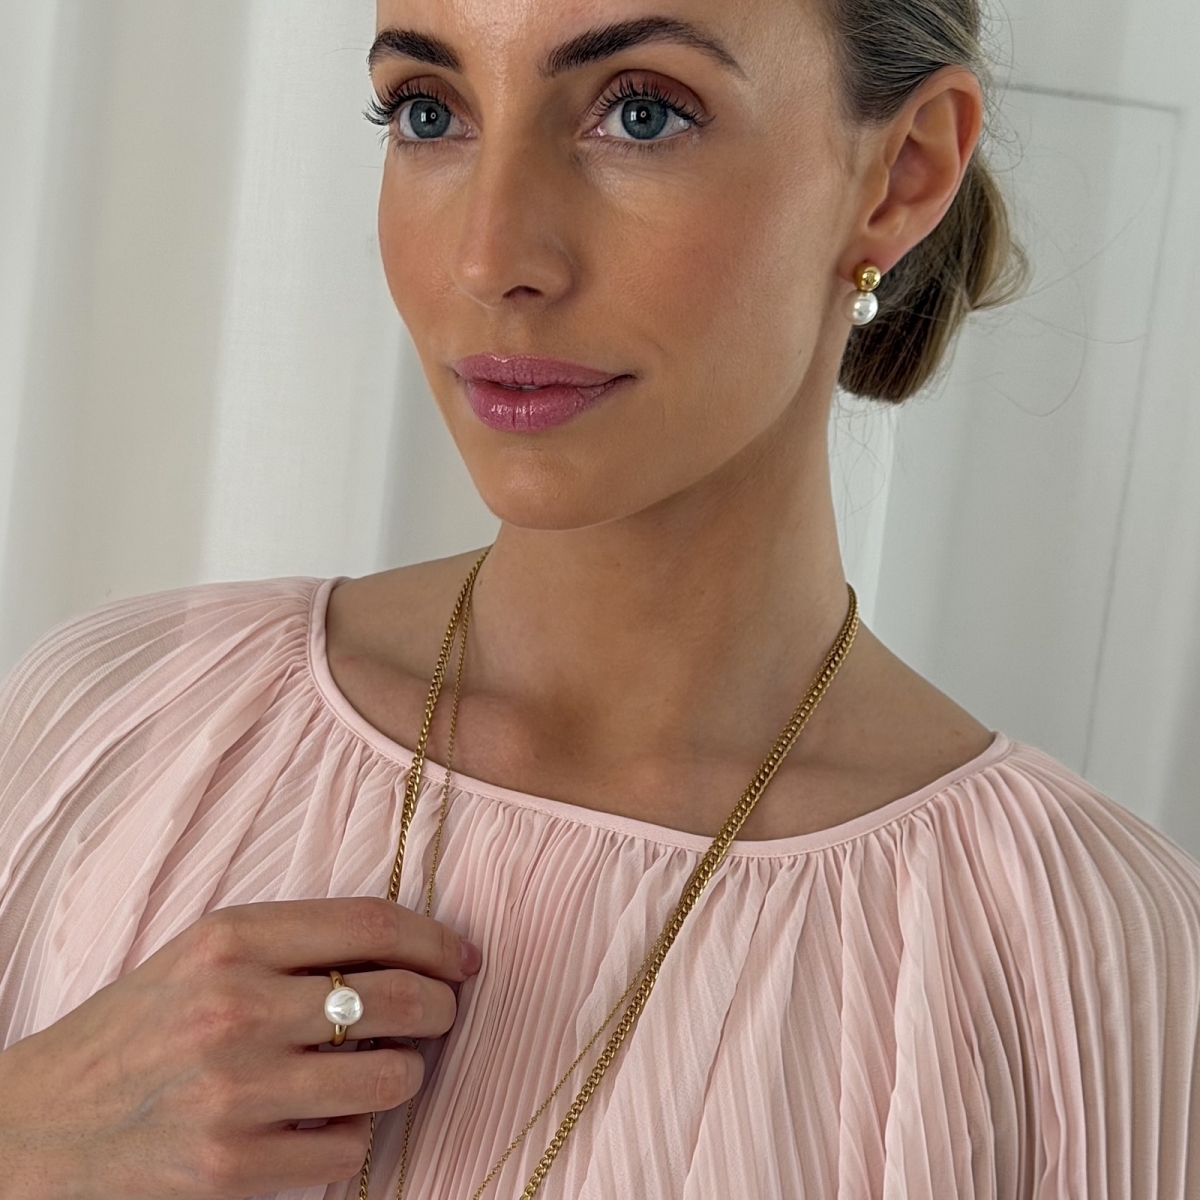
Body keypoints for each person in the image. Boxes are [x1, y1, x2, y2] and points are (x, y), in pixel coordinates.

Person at [1, 0, 1198, 1196]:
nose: (490, 258)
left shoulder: (1081, 954)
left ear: (901, 175)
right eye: (430, 113)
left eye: (642, 114)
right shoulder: (124, 726)